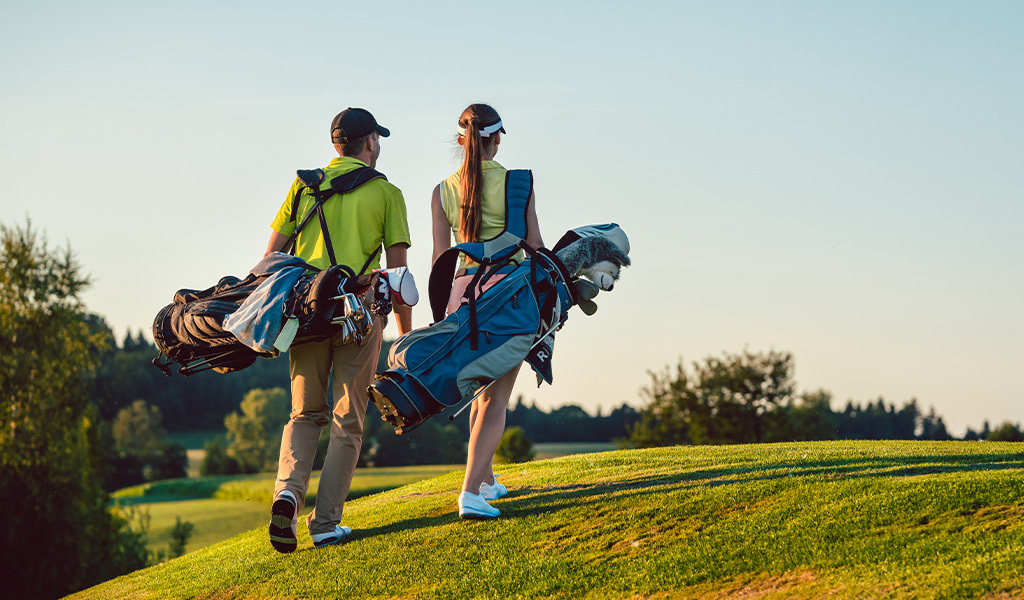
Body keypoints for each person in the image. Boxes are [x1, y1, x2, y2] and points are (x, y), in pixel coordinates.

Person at [265, 107, 412, 552]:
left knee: (304, 414)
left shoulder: (302, 186)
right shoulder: (387, 192)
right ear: (368, 142)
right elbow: (398, 277)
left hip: (306, 314)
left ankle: (287, 492)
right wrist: (405, 337)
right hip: (359, 313)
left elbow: (271, 259)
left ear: (335, 145)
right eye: (377, 139)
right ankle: (326, 523)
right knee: (347, 421)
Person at [431, 103, 543, 519]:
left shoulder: (441, 190)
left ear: (462, 140)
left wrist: (443, 311)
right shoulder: (518, 183)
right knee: (497, 399)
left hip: (462, 293)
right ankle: (469, 495)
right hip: (508, 295)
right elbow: (533, 244)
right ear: (495, 139)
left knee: (479, 391)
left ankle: (485, 481)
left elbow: (441, 257)